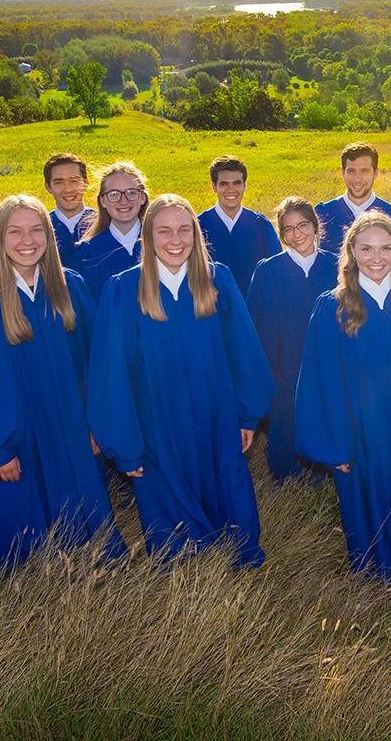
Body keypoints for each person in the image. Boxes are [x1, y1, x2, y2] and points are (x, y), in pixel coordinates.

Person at [88, 195, 274, 568]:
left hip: (215, 412)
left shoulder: (216, 278)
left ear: (196, 233)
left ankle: (237, 553)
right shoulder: (123, 289)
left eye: (184, 230)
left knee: (226, 489)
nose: (176, 240)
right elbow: (111, 373)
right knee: (168, 499)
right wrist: (123, 442)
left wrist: (246, 414)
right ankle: (182, 561)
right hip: (156, 418)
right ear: (148, 235)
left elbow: (244, 349)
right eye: (164, 231)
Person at [0, 195, 126, 567]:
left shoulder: (69, 287)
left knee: (85, 532)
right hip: (17, 432)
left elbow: (97, 363)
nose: (26, 240)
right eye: (15, 231)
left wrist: (100, 423)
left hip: (71, 426)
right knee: (24, 536)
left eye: (35, 230)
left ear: (49, 235)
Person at [294, 212, 391, 581]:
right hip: (357, 430)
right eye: (366, 248)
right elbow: (319, 379)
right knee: (364, 506)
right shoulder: (332, 304)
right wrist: (336, 446)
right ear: (351, 251)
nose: (376, 257)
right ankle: (372, 578)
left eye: (385, 248)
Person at [246, 198, 339, 483]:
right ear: (281, 234)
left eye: (303, 226)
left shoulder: (337, 265)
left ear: (315, 226)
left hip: (328, 359)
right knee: (286, 417)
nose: (297, 234)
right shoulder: (268, 270)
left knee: (327, 413)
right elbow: (257, 322)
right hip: (284, 358)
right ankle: (286, 476)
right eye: (288, 229)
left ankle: (325, 472)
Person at [197, 155, 282, 295]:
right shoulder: (198, 226)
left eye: (237, 183)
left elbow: (276, 270)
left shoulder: (261, 226)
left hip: (254, 310)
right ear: (214, 186)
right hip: (211, 309)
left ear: (244, 185)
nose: (231, 189)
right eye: (224, 184)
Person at [315, 142, 391, 251]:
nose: (357, 178)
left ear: (375, 173)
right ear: (343, 173)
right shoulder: (322, 214)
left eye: (365, 171)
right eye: (351, 171)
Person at [74, 161, 147, 297]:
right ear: (102, 200)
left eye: (131, 192)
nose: (124, 201)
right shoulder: (88, 253)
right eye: (114, 194)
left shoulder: (160, 245)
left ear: (142, 197)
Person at [44, 152, 95, 254]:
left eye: (74, 180)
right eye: (59, 182)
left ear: (86, 183)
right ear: (48, 187)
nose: (68, 189)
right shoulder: (42, 227)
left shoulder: (103, 224)